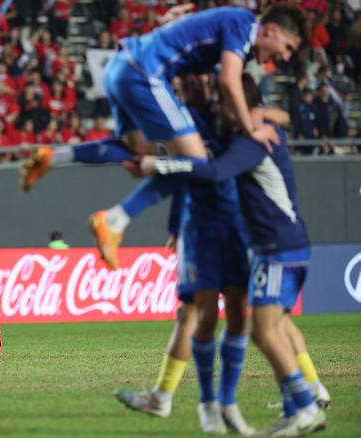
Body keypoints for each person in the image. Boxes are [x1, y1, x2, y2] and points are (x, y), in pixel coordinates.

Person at [19, 4, 306, 268]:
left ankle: (52, 156)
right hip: (145, 74)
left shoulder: (224, 35)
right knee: (195, 161)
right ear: (272, 30)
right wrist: (252, 128)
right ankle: (115, 220)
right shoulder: (243, 25)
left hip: (120, 65)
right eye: (288, 47)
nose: (285, 57)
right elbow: (229, 79)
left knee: (140, 150)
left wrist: (266, 115)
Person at [139, 74, 327, 436]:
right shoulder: (253, 130)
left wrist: (157, 165)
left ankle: (306, 404)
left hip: (277, 247)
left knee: (264, 332)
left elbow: (216, 171)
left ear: (241, 104)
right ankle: (301, 403)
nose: (219, 110)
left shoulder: (250, 142)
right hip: (279, 246)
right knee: (277, 328)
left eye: (224, 102)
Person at [114, 76, 253, 435]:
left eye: (196, 78)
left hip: (240, 226)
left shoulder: (226, 115)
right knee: (195, 312)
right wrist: (177, 225)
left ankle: (306, 392)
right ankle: (196, 402)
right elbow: (180, 179)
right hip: (199, 229)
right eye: (184, 80)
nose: (189, 84)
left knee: (255, 317)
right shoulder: (180, 121)